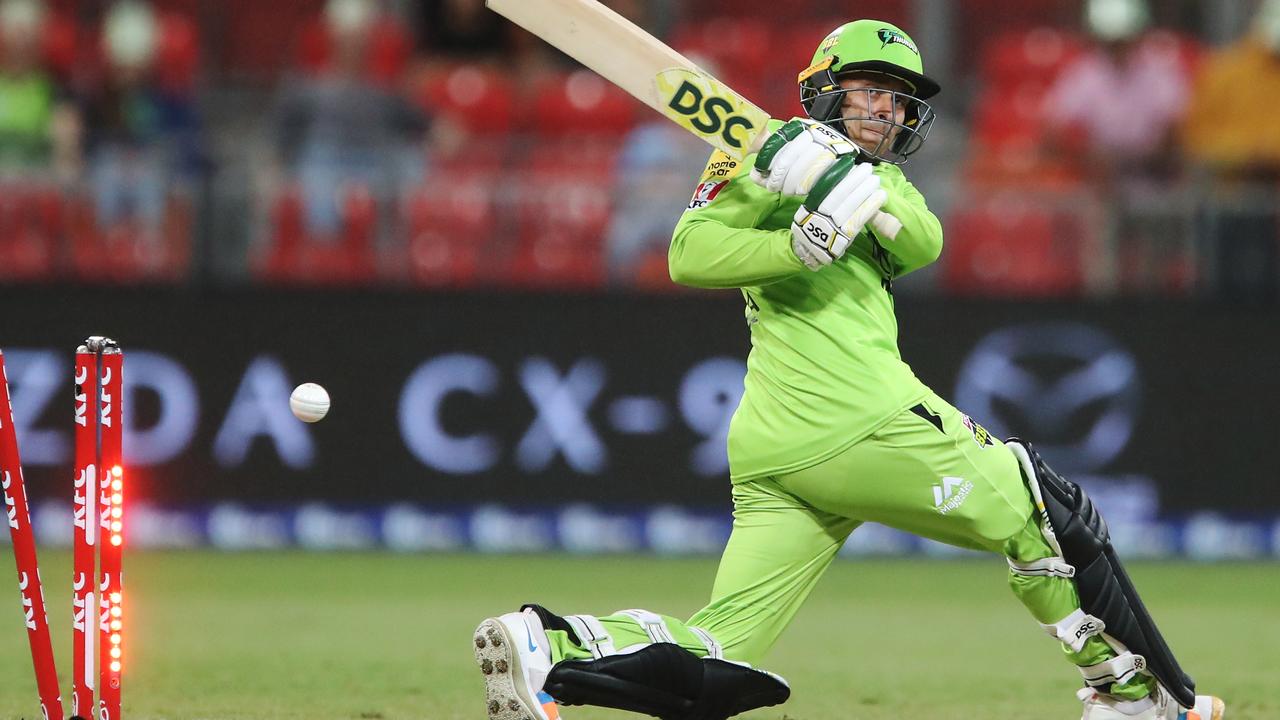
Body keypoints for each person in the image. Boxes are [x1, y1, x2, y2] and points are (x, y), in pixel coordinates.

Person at [471, 20, 1225, 720]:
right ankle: (1136, 697)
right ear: (825, 87)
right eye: (871, 91)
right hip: (857, 416)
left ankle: (552, 646)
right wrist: (794, 243)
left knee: (722, 648)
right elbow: (687, 254)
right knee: (1040, 508)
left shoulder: (875, 176)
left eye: (899, 101)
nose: (888, 111)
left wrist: (833, 180)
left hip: (780, 447)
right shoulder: (751, 153)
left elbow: (923, 240)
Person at [1180, 0, 1280, 302]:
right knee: (1232, 298)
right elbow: (1197, 139)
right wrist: (1245, 156)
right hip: (1233, 204)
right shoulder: (1225, 73)